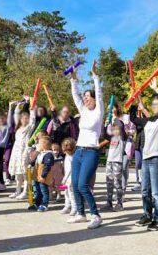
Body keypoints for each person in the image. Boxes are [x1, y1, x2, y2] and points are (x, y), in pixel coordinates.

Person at [67, 60, 104, 229]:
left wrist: (95, 76)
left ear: (94, 100)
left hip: (91, 152)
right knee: (74, 184)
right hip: (78, 151)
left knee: (83, 184)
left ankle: (95, 215)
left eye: (88, 97)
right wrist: (73, 78)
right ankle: (80, 213)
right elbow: (75, 95)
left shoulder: (98, 111)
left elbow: (99, 93)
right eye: (85, 97)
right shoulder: (83, 111)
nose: (86, 99)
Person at [130, 77, 158, 231]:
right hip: (145, 158)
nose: (155, 106)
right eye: (153, 104)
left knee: (156, 191)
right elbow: (133, 118)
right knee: (145, 190)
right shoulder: (148, 121)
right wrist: (133, 102)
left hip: (156, 158)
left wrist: (157, 90)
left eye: (157, 103)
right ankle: (147, 215)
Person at [8, 99, 36, 199]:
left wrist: (32, 108)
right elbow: (16, 115)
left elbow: (33, 120)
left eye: (26, 118)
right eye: (23, 118)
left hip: (25, 152)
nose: (24, 120)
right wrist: (17, 106)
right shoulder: (18, 129)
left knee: (25, 173)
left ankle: (26, 191)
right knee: (18, 174)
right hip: (16, 152)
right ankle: (17, 190)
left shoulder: (29, 128)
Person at [103, 119, 127, 212]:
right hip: (109, 162)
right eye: (114, 129)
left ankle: (119, 203)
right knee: (109, 182)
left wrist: (116, 120)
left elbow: (122, 130)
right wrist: (106, 125)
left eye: (118, 129)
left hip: (117, 162)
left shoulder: (122, 137)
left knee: (117, 183)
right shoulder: (111, 137)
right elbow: (104, 134)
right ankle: (109, 203)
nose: (116, 131)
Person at [33, 136, 55, 212]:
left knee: (44, 191)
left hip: (43, 176)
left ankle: (44, 204)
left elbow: (47, 166)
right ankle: (37, 203)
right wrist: (31, 163)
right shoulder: (41, 153)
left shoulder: (48, 155)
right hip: (37, 175)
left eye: (39, 144)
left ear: (44, 145)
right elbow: (35, 160)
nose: (38, 145)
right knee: (38, 190)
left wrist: (43, 176)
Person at [60, 138, 77, 215]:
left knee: (71, 193)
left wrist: (64, 178)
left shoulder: (71, 157)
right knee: (66, 192)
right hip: (67, 179)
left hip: (71, 179)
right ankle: (67, 206)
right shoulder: (67, 156)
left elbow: (70, 169)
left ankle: (74, 207)